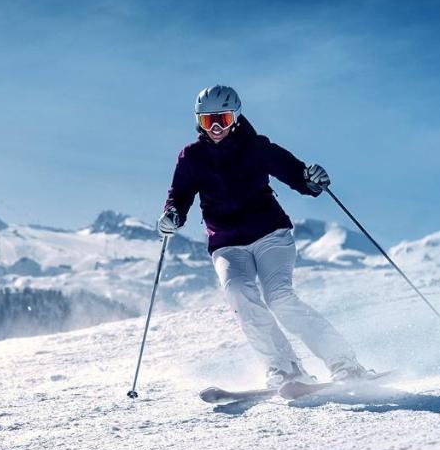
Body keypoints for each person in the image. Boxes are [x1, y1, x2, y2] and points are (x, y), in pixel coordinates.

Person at [158, 86, 373, 389]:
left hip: (271, 234)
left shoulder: (255, 147)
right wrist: (173, 215)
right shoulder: (191, 157)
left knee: (280, 299)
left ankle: (344, 362)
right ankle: (284, 368)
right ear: (199, 123)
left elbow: (295, 173)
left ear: (236, 117)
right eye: (208, 121)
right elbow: (178, 197)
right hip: (227, 243)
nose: (216, 127)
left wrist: (311, 180)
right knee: (239, 296)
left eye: (223, 118)